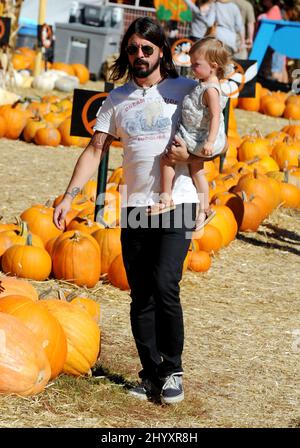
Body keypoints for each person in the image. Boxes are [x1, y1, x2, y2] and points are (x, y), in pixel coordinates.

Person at [53, 17, 200, 405]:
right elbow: (95, 149)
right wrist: (69, 196)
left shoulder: (185, 90)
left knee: (166, 283)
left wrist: (196, 154)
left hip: (179, 200)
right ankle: (151, 373)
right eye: (132, 49)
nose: (139, 55)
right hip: (136, 207)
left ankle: (173, 369)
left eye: (146, 49)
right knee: (141, 294)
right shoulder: (116, 99)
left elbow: (214, 140)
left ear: (161, 52)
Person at [147, 37, 230, 232]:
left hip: (198, 137)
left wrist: (209, 141)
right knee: (197, 172)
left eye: (196, 65)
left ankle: (166, 197)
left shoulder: (211, 90)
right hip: (196, 134)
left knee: (168, 159)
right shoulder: (204, 84)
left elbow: (217, 117)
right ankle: (204, 209)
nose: (192, 68)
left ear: (213, 66)